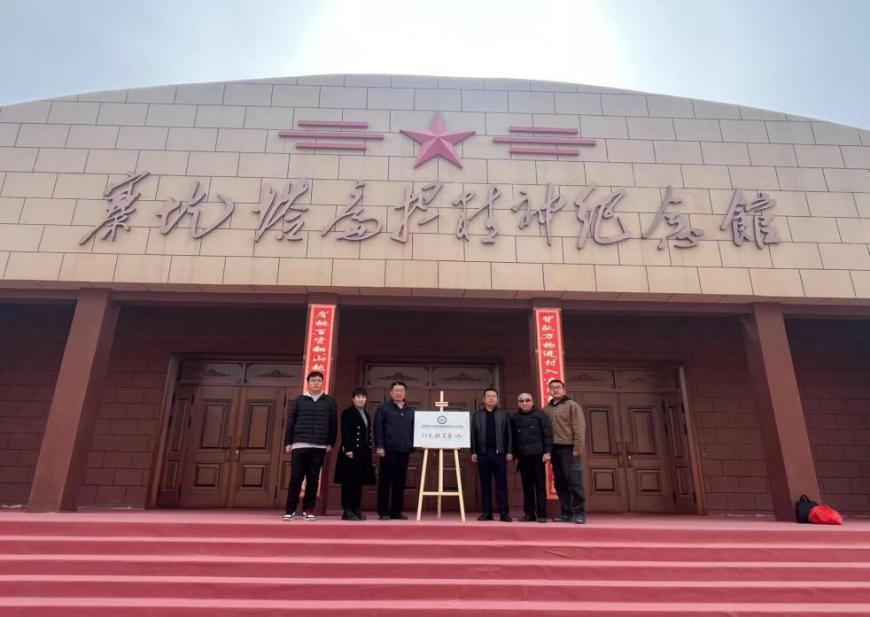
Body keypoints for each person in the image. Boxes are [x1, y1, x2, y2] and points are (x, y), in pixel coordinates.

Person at [283, 371, 337, 521]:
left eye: (319, 380)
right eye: (313, 380)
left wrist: (330, 442)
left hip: (319, 445)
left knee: (313, 479)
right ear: (308, 383)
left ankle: (309, 509)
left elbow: (333, 423)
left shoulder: (329, 401)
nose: (316, 383)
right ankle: (290, 510)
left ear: (322, 382)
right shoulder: (299, 400)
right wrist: (288, 442)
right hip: (299, 444)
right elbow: (290, 422)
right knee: (296, 477)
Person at [542, 379, 587, 524]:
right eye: (552, 388)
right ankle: (566, 512)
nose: (555, 390)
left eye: (558, 387)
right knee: (560, 482)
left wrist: (578, 448)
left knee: (575, 481)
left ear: (564, 390)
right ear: (549, 391)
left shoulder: (572, 405)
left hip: (569, 448)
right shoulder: (546, 409)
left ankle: (579, 513)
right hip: (555, 449)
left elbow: (579, 428)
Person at [374, 381, 415, 520]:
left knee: (400, 481)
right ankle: (383, 511)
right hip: (388, 449)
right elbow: (378, 428)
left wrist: (412, 445)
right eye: (396, 390)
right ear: (391, 393)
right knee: (386, 481)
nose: (399, 393)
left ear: (405, 392)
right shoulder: (383, 408)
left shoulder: (410, 410)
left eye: (401, 390)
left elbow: (414, 429)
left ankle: (396, 511)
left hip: (404, 449)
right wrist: (380, 446)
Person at [470, 388, 513, 522]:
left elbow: (509, 434)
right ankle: (487, 512)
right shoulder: (477, 415)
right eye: (488, 396)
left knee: (501, 484)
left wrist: (509, 451)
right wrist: (474, 451)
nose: (491, 398)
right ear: (484, 399)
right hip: (483, 453)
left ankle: (504, 513)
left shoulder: (504, 414)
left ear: (497, 399)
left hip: (500, 454)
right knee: (485, 484)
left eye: (493, 396)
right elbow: (473, 435)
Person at [334, 387, 376, 521]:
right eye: (358, 397)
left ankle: (356, 508)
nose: (361, 399)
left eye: (363, 397)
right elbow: (345, 432)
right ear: (353, 399)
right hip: (351, 452)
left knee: (358, 482)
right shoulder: (347, 413)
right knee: (349, 482)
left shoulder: (366, 414)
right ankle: (347, 510)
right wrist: (348, 449)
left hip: (363, 453)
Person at [511, 392, 552, 522]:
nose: (525, 403)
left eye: (527, 400)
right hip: (523, 457)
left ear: (532, 402)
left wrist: (547, 452)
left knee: (540, 485)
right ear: (518, 403)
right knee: (527, 486)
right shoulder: (515, 417)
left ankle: (542, 514)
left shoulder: (540, 415)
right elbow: (513, 438)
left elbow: (547, 434)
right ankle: (529, 514)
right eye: (521, 401)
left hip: (538, 456)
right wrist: (514, 456)